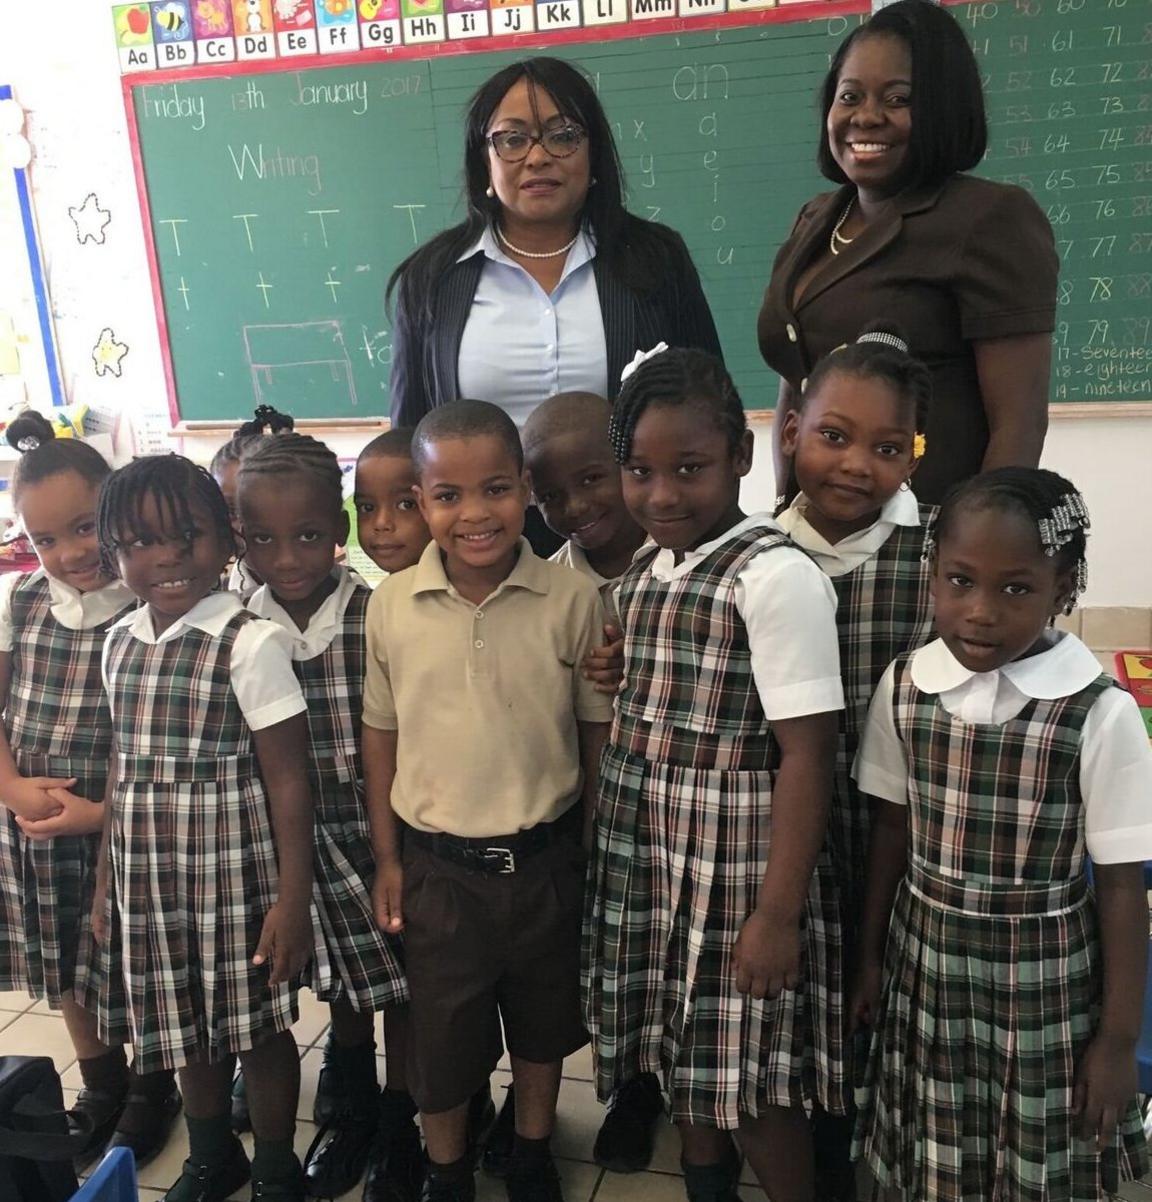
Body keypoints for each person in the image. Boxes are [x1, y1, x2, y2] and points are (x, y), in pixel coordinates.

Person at [583, 347, 846, 1202]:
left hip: (734, 865)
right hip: (654, 855)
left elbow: (808, 751)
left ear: (740, 453)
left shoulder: (774, 576)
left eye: (689, 468)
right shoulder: (646, 569)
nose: (661, 495)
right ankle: (705, 1186)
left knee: (748, 1070)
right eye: (640, 472)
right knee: (682, 1046)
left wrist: (775, 914)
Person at [851, 468, 1152, 1202]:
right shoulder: (906, 687)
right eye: (959, 580)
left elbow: (1120, 885)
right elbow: (891, 830)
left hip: (1044, 977)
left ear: (1064, 586)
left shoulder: (1097, 715)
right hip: (926, 963)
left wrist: (1116, 1041)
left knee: (1035, 1150)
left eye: (1016, 588)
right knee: (938, 1138)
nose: (979, 612)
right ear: (932, 575)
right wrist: (867, 959)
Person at [362, 400, 614, 1202]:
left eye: (497, 489)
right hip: (439, 870)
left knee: (543, 1027)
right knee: (442, 1037)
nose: (475, 514)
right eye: (447, 496)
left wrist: (595, 850)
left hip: (545, 860)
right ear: (421, 499)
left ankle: (533, 1150)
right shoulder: (392, 605)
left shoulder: (572, 601)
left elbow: (594, 738)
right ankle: (446, 1169)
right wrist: (389, 859)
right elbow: (380, 737)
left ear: (527, 492)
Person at [387, 55, 721, 556]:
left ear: (593, 154)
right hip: (484, 550)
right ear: (486, 159)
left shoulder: (656, 258)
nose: (538, 157)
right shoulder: (433, 278)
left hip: (640, 545)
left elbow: (707, 403)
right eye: (513, 138)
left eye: (562, 135)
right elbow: (411, 434)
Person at [93, 455, 315, 1202]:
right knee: (180, 1022)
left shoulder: (249, 643)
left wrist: (291, 901)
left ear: (227, 538)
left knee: (255, 1027)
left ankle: (278, 1167)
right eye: (138, 543)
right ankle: (214, 1154)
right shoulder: (117, 643)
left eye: (186, 535)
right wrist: (103, 886)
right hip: (148, 877)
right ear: (114, 554)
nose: (165, 558)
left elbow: (289, 778)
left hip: (233, 874)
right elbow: (123, 769)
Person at [758, 0, 1058, 505]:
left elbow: (1019, 423)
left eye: (897, 99)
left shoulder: (990, 218)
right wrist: (786, 511)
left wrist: (969, 552)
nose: (866, 117)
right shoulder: (815, 218)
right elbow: (797, 381)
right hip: (810, 532)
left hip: (922, 540)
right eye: (849, 96)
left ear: (942, 107)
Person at [774, 327, 935, 1200]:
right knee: (800, 1008)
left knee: (875, 1001)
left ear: (915, 454)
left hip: (899, 839)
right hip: (779, 840)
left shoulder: (948, 557)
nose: (855, 465)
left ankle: (875, 1154)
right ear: (793, 427)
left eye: (886, 447)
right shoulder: (753, 549)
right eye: (834, 435)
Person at [236, 434, 418, 1202]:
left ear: (339, 532)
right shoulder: (236, 628)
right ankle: (348, 1104)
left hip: (380, 835)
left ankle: (403, 1119)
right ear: (237, 538)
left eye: (309, 535)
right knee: (338, 987)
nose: (288, 558)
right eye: (264, 540)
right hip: (282, 843)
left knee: (401, 984)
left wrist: (394, 851)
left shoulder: (379, 615)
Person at [0, 413, 179, 1167]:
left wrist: (101, 813)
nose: (69, 553)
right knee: (66, 962)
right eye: (46, 540)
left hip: (126, 830)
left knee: (131, 959)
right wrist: (11, 787)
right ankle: (100, 1082)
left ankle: (153, 1082)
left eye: (84, 527)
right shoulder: (23, 602)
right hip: (38, 827)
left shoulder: (152, 607)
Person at [523, 391, 648, 597]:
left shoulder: (684, 552)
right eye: (550, 496)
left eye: (590, 480)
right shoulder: (547, 592)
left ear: (628, 461)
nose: (574, 507)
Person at [209, 404, 295, 598]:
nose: (246, 527)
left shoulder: (361, 603)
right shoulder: (210, 598)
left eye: (263, 508)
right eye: (231, 512)